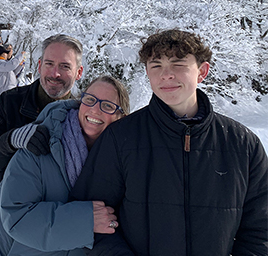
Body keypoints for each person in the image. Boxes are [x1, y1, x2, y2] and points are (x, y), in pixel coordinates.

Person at [70, 29, 268, 255]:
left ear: (202, 71)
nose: (166, 74)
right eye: (156, 66)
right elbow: (92, 219)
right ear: (147, 73)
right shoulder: (120, 138)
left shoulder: (242, 145)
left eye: (178, 64)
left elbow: (259, 231)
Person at [0, 76, 131, 255]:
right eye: (90, 99)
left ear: (122, 116)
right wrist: (86, 221)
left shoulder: (122, 165)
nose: (95, 109)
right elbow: (17, 217)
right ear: (80, 102)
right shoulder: (41, 144)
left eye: (107, 105)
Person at [0, 34, 84, 221]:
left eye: (65, 66)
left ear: (78, 72)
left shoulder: (83, 116)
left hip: (48, 223)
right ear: (39, 66)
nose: (55, 73)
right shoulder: (10, 102)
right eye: (49, 64)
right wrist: (9, 141)